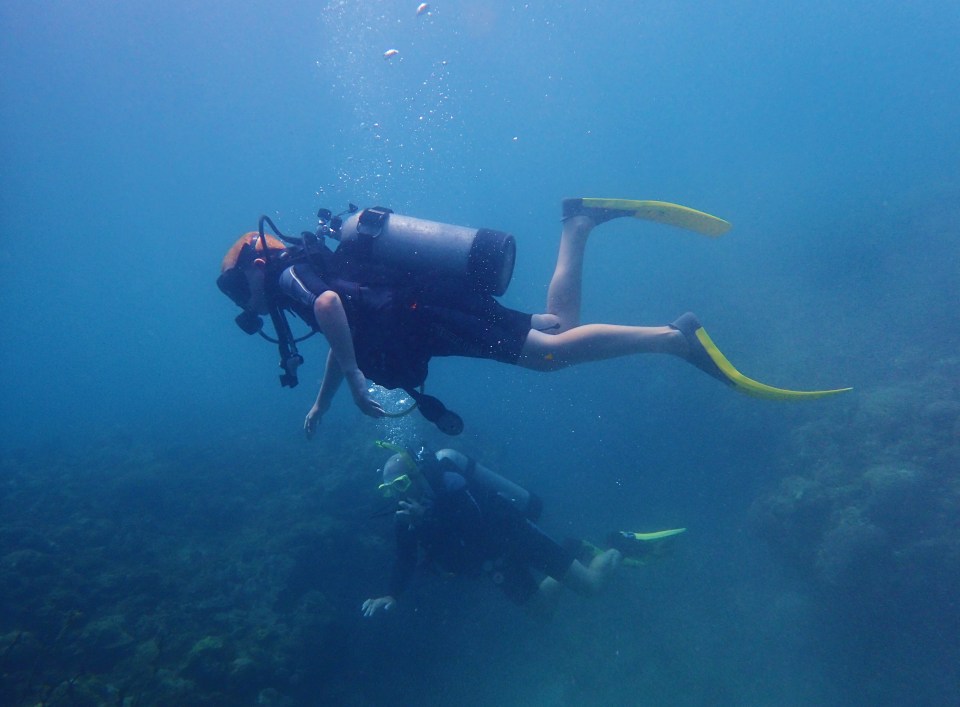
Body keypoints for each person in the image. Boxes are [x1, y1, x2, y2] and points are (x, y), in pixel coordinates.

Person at [217, 198, 850, 435]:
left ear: (253, 261)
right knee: (554, 326)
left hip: (429, 317)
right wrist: (327, 400)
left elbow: (329, 309)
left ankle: (675, 340)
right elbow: (341, 327)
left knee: (548, 354)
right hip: (427, 314)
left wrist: (353, 383)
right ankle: (577, 225)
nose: (239, 300)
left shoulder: (287, 274)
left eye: (232, 286)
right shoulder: (304, 267)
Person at [360, 444, 685, 617]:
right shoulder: (406, 515)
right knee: (542, 611)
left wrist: (427, 519)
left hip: (516, 536)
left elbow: (474, 522)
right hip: (495, 563)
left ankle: (619, 544)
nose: (399, 494)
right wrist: (393, 592)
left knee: (592, 588)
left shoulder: (449, 482)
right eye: (390, 489)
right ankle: (574, 551)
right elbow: (404, 557)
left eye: (402, 483)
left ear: (417, 475)